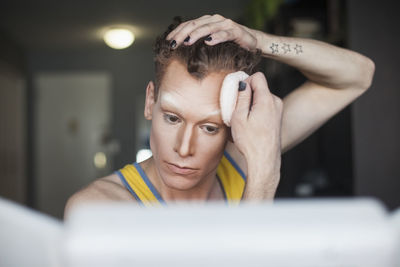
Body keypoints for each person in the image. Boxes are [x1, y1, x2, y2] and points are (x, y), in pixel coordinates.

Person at [64, 14, 374, 216]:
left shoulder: (239, 158)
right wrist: (264, 178)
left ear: (231, 123)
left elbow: (358, 75)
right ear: (150, 102)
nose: (184, 148)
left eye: (210, 127)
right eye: (172, 117)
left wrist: (259, 41)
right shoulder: (100, 209)